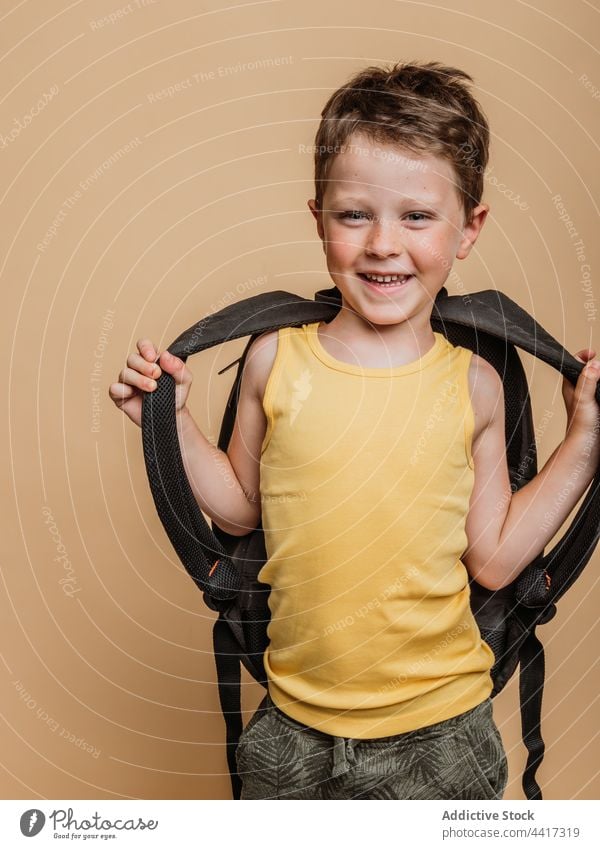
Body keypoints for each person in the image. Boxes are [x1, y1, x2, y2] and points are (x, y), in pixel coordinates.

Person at [109, 61, 600, 800]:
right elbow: (241, 506)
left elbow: (495, 555)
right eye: (354, 215)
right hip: (292, 732)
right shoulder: (276, 361)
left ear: (469, 227)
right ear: (318, 220)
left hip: (445, 736)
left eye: (416, 216)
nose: (381, 244)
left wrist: (584, 439)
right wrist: (171, 420)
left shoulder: (475, 383)